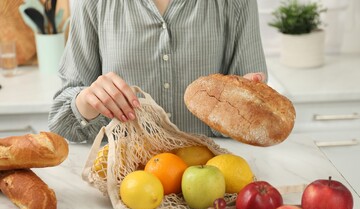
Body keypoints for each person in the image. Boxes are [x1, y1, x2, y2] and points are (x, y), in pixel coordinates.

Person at [48, 0, 267, 143]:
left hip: (214, 182)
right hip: (125, 182)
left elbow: (255, 126)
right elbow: (60, 122)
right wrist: (87, 101)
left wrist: (245, 111)